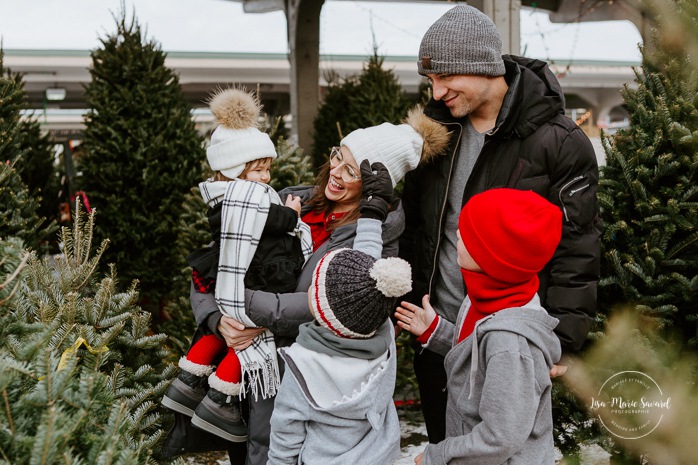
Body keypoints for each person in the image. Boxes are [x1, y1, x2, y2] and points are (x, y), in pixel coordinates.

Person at [164, 108, 449, 464]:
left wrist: (243, 303)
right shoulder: (285, 201)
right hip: (248, 370)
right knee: (246, 448)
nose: (336, 173)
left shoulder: (376, 240)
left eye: (351, 171)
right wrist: (217, 319)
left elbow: (326, 304)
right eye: (337, 158)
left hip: (300, 375)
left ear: (377, 183)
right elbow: (217, 259)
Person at [399, 4, 601, 443]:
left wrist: (563, 338)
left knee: (499, 449)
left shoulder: (558, 142)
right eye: (430, 81)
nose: (435, 93)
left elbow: (577, 245)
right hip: (439, 334)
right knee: (444, 447)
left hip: (508, 345)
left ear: (481, 66)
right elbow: (415, 222)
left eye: (444, 78)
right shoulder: (436, 133)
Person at [161, 87, 313, 442]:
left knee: (223, 334)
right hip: (259, 275)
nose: (265, 178)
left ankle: (187, 383)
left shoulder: (222, 196)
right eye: (257, 170)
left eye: (267, 170)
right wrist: (290, 215)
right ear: (234, 170)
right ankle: (218, 398)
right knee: (243, 340)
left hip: (232, 275)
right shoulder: (244, 198)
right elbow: (271, 222)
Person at [395, 188, 563, 465]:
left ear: (492, 257)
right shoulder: (482, 299)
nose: (457, 236)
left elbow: (500, 439)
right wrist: (437, 332)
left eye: (468, 235)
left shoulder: (510, 342)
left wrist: (437, 455)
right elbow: (481, 359)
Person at [267, 184, 413, 465]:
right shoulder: (383, 339)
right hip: (379, 457)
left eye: (315, 289)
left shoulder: (303, 364)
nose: (310, 290)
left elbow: (285, 436)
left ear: (324, 312)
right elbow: (368, 275)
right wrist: (371, 216)